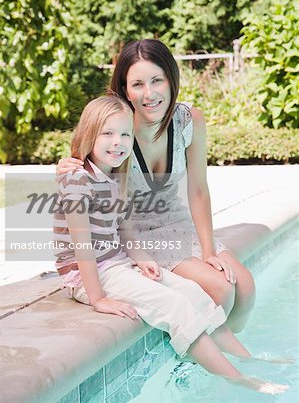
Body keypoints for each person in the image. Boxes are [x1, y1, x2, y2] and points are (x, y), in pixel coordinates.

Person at [54, 95, 288, 394]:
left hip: (117, 262)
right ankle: (238, 379)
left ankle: (247, 360)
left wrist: (140, 257)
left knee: (191, 290)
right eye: (108, 133)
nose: (118, 142)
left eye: (126, 134)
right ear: (89, 134)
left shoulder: (116, 174)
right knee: (175, 305)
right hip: (89, 274)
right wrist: (99, 299)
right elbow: (82, 248)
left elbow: (124, 228)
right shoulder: (76, 180)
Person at [58, 39, 255, 333]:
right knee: (220, 290)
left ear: (171, 80)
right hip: (134, 230)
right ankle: (193, 364)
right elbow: (85, 169)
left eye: (157, 80)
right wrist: (67, 164)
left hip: (176, 220)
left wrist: (208, 250)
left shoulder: (188, 120)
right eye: (137, 84)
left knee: (246, 289)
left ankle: (226, 357)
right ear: (125, 89)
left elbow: (198, 190)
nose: (149, 94)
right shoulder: (118, 127)